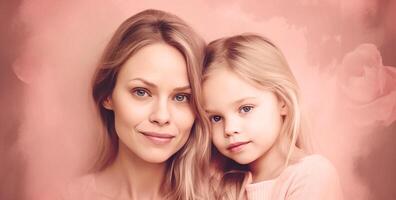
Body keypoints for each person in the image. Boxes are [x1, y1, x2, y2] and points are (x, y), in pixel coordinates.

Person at [62, 9, 210, 200]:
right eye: (141, 92)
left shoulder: (226, 195)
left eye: (181, 97)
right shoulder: (66, 194)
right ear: (108, 95)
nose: (162, 116)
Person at [202, 34, 343, 200]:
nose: (230, 129)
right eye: (216, 118)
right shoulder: (219, 182)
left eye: (245, 108)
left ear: (282, 102)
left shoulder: (312, 175)